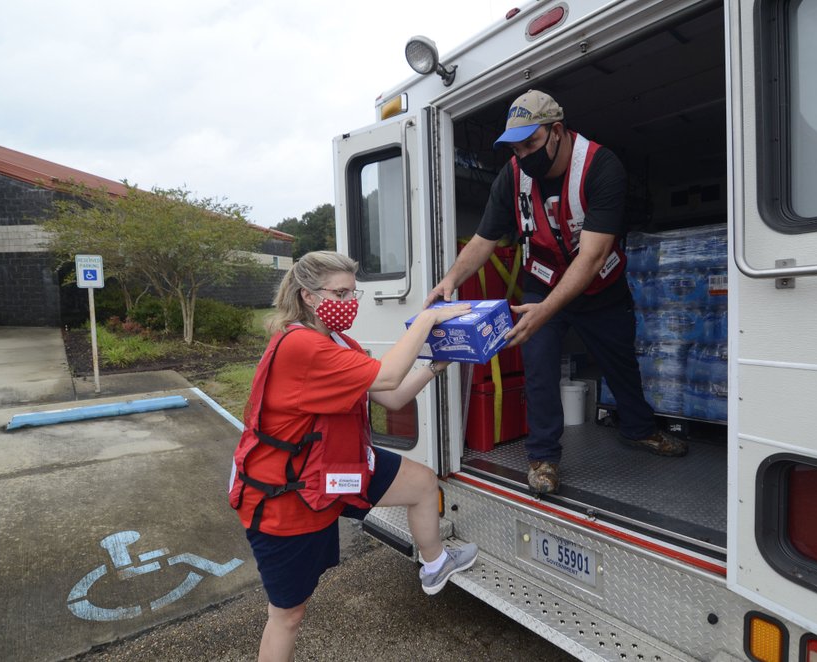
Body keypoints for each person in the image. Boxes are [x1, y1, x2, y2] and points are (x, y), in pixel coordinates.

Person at [425, 90, 687, 496]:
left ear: (557, 131)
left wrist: (547, 310)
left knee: (620, 363)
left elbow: (593, 255)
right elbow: (483, 239)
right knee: (539, 365)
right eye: (515, 148)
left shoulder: (601, 166)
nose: (523, 155)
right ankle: (543, 457)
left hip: (601, 287)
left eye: (531, 143)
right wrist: (450, 280)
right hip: (542, 281)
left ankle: (638, 430)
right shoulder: (512, 175)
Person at [230, 251, 478, 662]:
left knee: (421, 482)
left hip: (331, 466)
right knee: (288, 615)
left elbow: (391, 396)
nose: (349, 302)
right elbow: (388, 375)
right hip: (284, 496)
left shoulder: (338, 342)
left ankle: (435, 564)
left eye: (352, 293)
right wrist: (429, 319)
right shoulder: (301, 346)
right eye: (340, 294)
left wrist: (436, 366)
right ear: (309, 296)